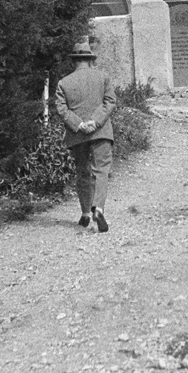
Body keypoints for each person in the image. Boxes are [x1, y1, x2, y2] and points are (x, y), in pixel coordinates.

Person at [52, 39, 116, 232]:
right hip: (101, 131)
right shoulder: (103, 77)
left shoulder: (64, 83)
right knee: (101, 170)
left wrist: (79, 124)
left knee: (82, 172)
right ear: (90, 60)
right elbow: (110, 101)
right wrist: (95, 122)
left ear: (74, 61)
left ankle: (85, 213)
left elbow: (61, 109)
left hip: (77, 135)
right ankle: (99, 208)